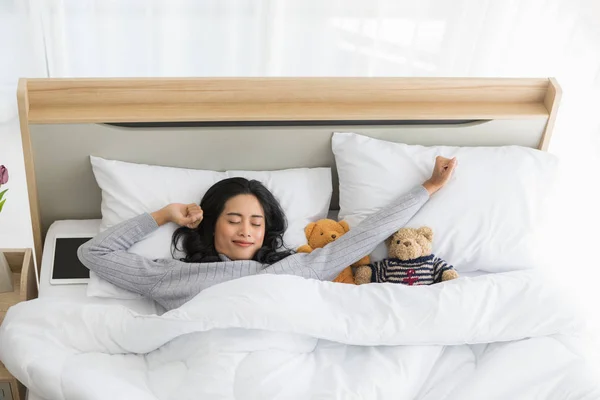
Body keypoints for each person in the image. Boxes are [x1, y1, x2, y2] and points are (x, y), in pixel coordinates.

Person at [78, 156, 457, 311]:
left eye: (256, 223)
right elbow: (94, 254)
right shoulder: (170, 277)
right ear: (211, 224)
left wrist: (429, 187)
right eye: (234, 220)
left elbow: (369, 232)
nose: (246, 231)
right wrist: (163, 214)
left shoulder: (299, 267)